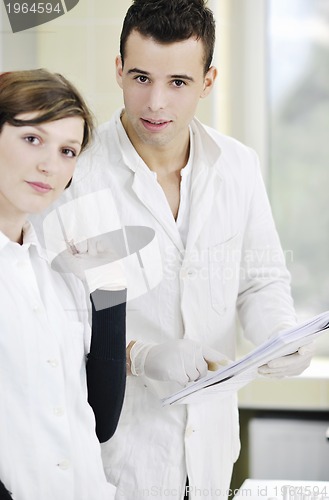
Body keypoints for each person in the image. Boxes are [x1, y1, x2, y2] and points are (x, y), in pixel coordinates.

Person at [45, 1, 315, 499]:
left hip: (210, 456)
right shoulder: (75, 177)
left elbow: (261, 279)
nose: (156, 104)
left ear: (208, 81)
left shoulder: (237, 165)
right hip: (118, 462)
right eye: (142, 77)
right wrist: (140, 356)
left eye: (178, 83)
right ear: (119, 69)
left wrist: (278, 334)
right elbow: (58, 322)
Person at [0, 69, 126, 500]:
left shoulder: (56, 274)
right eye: (32, 139)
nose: (50, 166)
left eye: (68, 151)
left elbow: (101, 420)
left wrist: (110, 283)